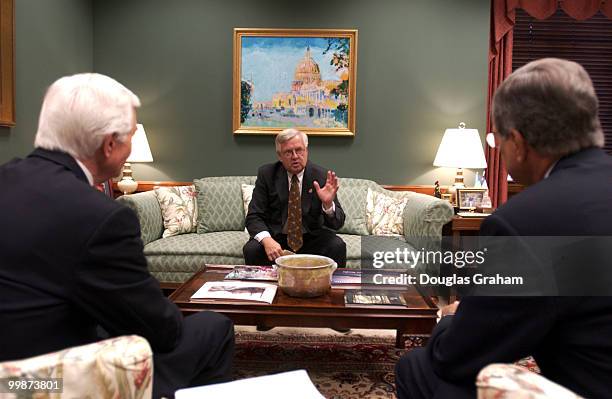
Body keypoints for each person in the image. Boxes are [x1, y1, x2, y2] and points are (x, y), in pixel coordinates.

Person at [0, 73, 234, 398]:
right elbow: (161, 331)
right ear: (109, 144)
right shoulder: (100, 217)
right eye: (130, 137)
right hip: (46, 383)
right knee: (213, 326)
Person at [395, 58, 612, 398]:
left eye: (496, 140)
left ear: (518, 143)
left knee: (417, 368)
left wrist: (449, 319)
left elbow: (458, 356)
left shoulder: (527, 221)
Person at [243, 128, 346, 266]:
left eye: (299, 150)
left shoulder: (321, 176)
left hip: (310, 237)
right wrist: (267, 240)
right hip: (277, 238)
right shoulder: (267, 175)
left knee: (337, 245)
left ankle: (328, 286)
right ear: (279, 156)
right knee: (252, 249)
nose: (295, 156)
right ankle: (265, 287)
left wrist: (327, 205)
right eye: (288, 152)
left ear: (306, 151)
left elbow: (337, 223)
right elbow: (254, 216)